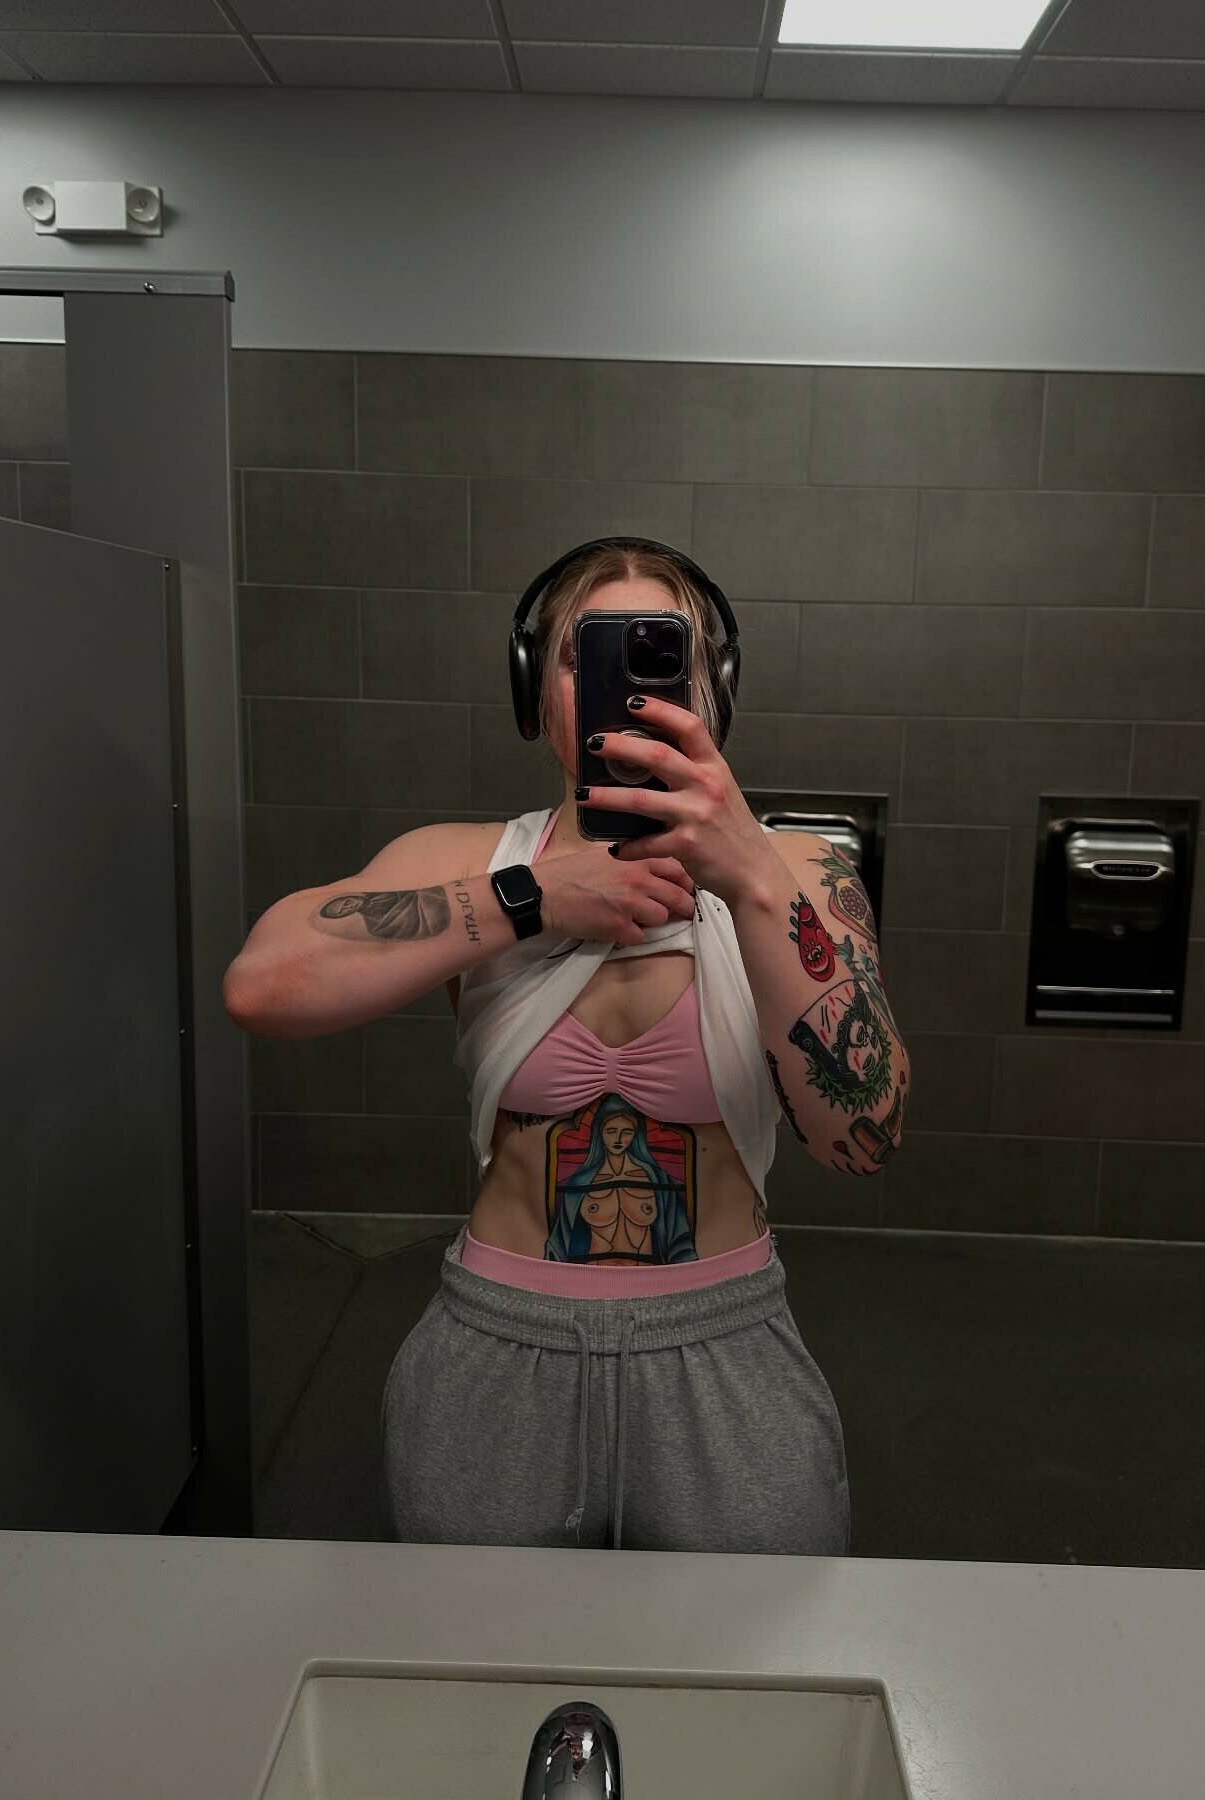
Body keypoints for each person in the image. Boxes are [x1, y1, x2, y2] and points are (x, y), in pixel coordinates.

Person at [225, 539, 878, 1555]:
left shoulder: (795, 869)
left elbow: (863, 1133)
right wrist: (532, 899)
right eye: (586, 653)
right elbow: (263, 982)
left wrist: (749, 876)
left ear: (713, 687)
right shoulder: (472, 862)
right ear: (536, 688)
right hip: (499, 1342)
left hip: (722, 1346)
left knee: (758, 1646)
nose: (628, 685)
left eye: (662, 651)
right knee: (477, 1646)